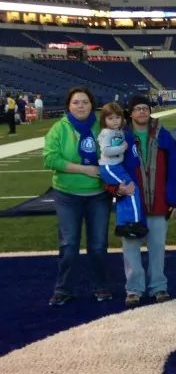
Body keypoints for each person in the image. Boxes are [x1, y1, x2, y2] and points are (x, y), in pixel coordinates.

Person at [107, 95, 176, 307]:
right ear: (130, 113)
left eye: (145, 108)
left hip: (158, 203)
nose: (142, 111)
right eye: (137, 108)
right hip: (131, 205)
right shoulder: (119, 137)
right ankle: (134, 288)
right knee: (131, 249)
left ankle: (158, 286)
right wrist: (115, 189)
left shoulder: (163, 135)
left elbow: (174, 169)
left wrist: (175, 201)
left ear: (150, 111)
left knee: (157, 248)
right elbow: (109, 168)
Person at [43, 86, 113, 307]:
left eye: (85, 102)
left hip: (98, 195)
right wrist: (84, 169)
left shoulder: (101, 126)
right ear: (69, 106)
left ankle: (100, 285)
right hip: (67, 195)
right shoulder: (59, 129)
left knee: (98, 245)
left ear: (92, 104)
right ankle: (64, 289)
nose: (81, 106)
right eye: (76, 102)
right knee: (69, 244)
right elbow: (50, 159)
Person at [98, 102, 148, 239]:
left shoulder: (117, 130)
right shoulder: (106, 133)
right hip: (110, 167)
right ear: (104, 120)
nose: (115, 121)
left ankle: (121, 225)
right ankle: (134, 222)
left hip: (116, 166)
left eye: (117, 118)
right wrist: (122, 148)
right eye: (110, 118)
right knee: (132, 189)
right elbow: (106, 150)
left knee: (125, 194)